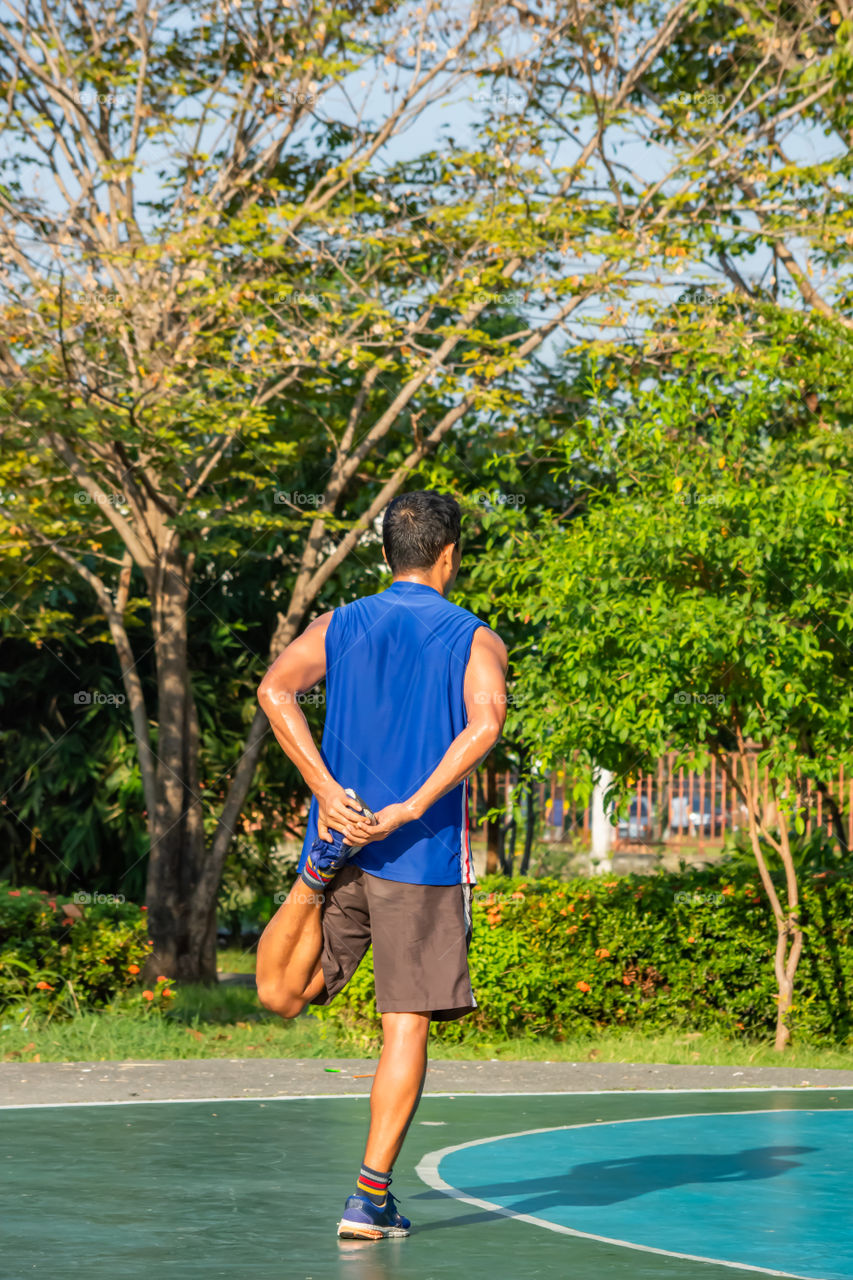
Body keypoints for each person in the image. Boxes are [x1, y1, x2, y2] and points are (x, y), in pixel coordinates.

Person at [255, 490, 507, 1240]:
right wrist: (410, 806)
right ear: (449, 555)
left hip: (338, 840)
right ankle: (368, 1197)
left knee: (281, 994)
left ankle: (307, 875)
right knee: (405, 1024)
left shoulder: (339, 622)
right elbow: (485, 724)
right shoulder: (473, 637)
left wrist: (327, 792)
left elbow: (274, 690)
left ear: (386, 554)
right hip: (417, 857)